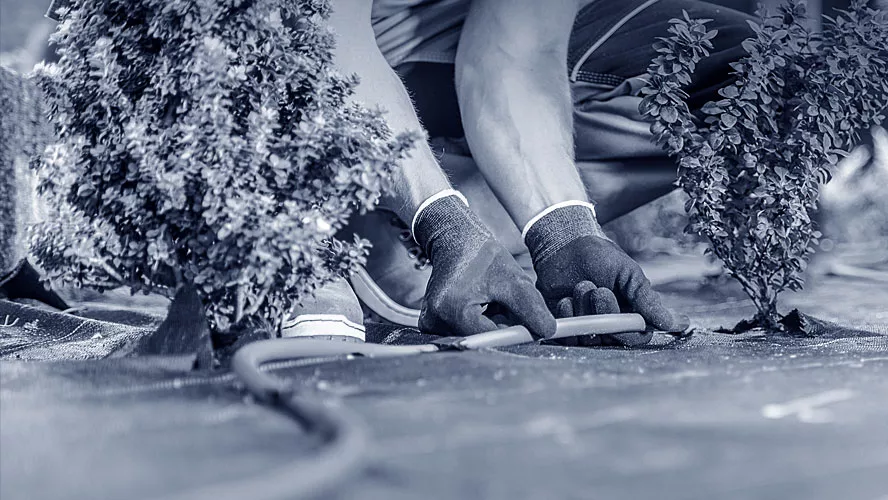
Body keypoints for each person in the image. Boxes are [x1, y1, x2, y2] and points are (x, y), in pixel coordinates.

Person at [45, 0, 756, 343]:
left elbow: (515, 52)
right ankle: (310, 232)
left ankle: (379, 229)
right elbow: (323, 31)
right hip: (208, 31)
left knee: (731, 59)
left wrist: (562, 227)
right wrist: (440, 221)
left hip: (367, 32)